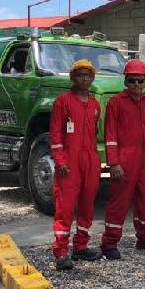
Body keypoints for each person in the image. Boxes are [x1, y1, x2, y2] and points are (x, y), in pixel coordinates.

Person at [100, 58, 145, 259]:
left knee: (144, 200)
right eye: (132, 81)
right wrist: (114, 162)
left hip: (144, 160)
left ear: (144, 81)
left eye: (140, 81)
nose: (136, 85)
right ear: (125, 82)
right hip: (125, 160)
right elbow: (110, 135)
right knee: (119, 202)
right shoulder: (116, 103)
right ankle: (109, 243)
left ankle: (144, 238)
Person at [49, 59, 103, 271]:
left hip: (90, 160)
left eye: (88, 75)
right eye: (80, 75)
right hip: (69, 162)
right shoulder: (62, 101)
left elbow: (94, 134)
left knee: (88, 205)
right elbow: (55, 134)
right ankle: (61, 251)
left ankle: (81, 247)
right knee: (65, 207)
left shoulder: (95, 105)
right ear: (73, 78)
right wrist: (60, 160)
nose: (84, 79)